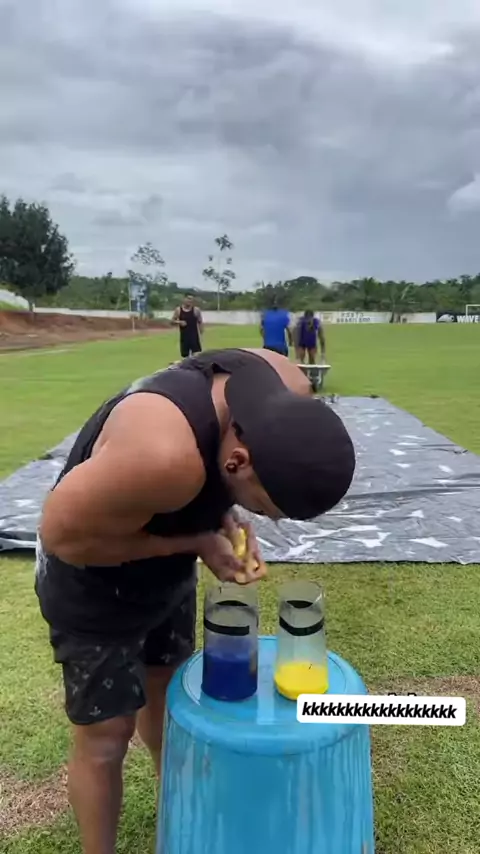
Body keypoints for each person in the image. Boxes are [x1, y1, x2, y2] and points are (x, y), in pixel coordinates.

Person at [35, 347, 355, 854]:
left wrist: (224, 520)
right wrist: (198, 542)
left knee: (169, 698)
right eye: (264, 508)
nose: (262, 517)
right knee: (106, 736)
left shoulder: (283, 384)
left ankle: (180, 810)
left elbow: (217, 483)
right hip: (91, 576)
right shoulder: (164, 457)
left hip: (165, 562)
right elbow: (63, 541)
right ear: (237, 461)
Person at [171, 294, 203, 358]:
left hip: (194, 338)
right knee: (185, 358)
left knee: (196, 357)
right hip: (184, 338)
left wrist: (201, 334)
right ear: (184, 299)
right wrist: (179, 322)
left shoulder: (196, 310)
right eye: (188, 298)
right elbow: (172, 321)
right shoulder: (178, 310)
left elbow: (200, 322)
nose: (190, 301)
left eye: (191, 299)